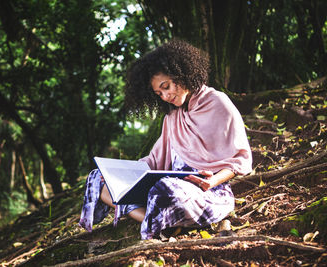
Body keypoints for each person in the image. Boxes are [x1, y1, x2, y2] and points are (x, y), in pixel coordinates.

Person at [79, 39, 252, 239]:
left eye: (166, 86)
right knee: (97, 179)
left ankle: (159, 220)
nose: (165, 96)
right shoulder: (172, 117)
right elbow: (153, 161)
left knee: (166, 189)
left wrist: (212, 181)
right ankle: (159, 222)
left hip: (206, 193)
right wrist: (116, 174)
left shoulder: (218, 103)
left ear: (183, 73)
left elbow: (240, 159)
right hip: (165, 187)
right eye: (159, 93)